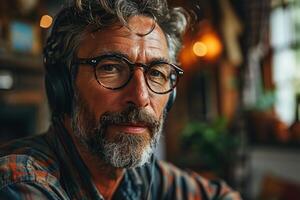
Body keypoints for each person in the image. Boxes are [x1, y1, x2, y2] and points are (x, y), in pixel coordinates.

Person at [0, 0, 242, 199]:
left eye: (156, 73)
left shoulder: (138, 177)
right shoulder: (20, 182)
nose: (140, 97)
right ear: (63, 85)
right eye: (111, 68)